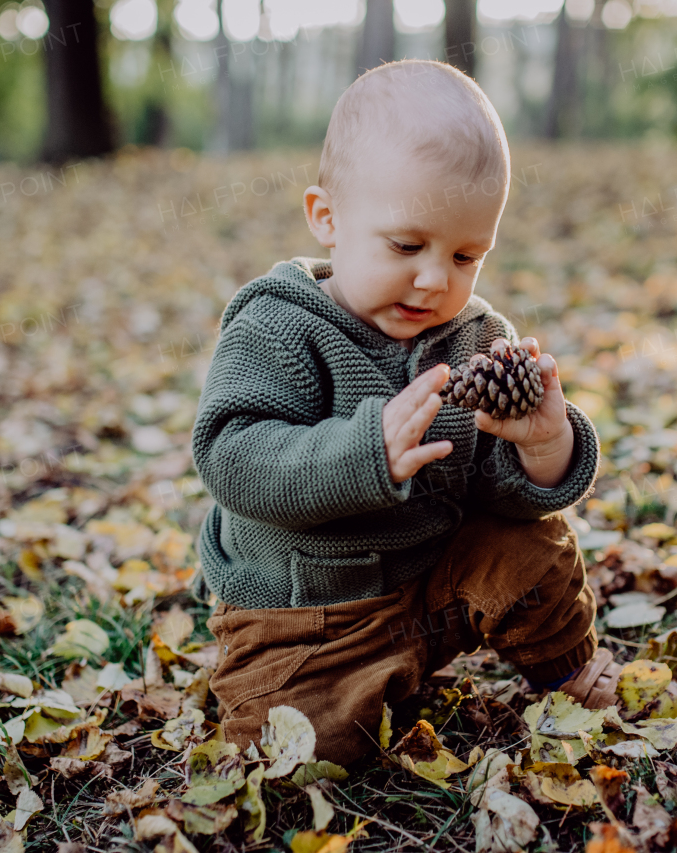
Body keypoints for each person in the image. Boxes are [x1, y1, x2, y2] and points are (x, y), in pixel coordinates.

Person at [189, 59, 621, 766]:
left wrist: (544, 447)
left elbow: (498, 494)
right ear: (327, 218)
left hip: (436, 579)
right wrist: (365, 455)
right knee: (302, 752)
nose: (434, 279)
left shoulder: (477, 339)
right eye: (407, 245)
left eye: (466, 255)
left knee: (534, 548)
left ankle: (564, 668)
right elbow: (234, 457)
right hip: (307, 611)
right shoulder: (279, 327)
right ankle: (345, 691)